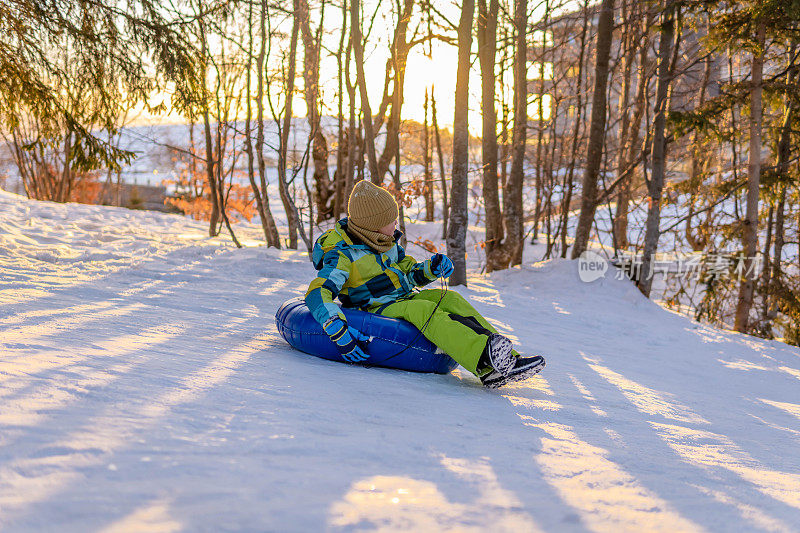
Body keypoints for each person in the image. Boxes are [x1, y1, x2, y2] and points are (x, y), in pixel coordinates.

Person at [304, 180, 545, 388]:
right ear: (373, 224)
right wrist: (334, 326)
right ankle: (484, 361)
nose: (396, 223)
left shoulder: (386, 243)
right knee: (423, 310)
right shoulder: (343, 255)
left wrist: (431, 268)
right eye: (392, 219)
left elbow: (408, 273)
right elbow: (318, 292)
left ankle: (506, 361)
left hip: (401, 299)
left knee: (452, 299)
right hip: (373, 308)